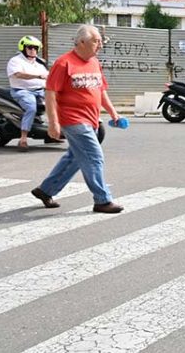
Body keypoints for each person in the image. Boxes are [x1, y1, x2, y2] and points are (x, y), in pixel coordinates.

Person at [30, 25, 124, 214]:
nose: (100, 46)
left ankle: (45, 190)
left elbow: (101, 91)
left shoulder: (94, 62)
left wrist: (114, 113)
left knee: (74, 158)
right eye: (96, 41)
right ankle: (102, 200)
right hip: (73, 120)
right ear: (81, 42)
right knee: (94, 157)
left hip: (92, 120)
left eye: (100, 42)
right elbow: (50, 93)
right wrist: (53, 122)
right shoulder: (63, 63)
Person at [7, 35, 49, 151]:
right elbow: (18, 74)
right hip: (22, 91)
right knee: (31, 108)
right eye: (30, 48)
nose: (33, 50)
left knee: (57, 103)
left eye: (35, 48)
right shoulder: (16, 61)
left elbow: (49, 77)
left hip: (40, 91)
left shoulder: (39, 64)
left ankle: (51, 133)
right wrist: (38, 76)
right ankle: (23, 138)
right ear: (23, 48)